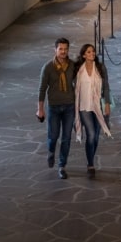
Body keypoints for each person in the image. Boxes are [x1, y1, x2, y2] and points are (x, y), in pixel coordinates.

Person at [37, 38, 77, 179]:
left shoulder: (72, 65)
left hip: (69, 106)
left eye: (65, 49)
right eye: (60, 49)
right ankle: (51, 152)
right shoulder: (48, 67)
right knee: (53, 136)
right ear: (55, 50)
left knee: (66, 138)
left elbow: (78, 85)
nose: (63, 51)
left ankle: (62, 166)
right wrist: (40, 109)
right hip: (54, 106)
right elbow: (42, 89)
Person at [73, 43, 112, 178]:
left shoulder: (100, 68)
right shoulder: (78, 69)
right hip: (84, 106)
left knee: (95, 137)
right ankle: (90, 164)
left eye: (93, 51)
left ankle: (90, 158)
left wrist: (107, 103)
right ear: (83, 55)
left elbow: (106, 86)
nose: (92, 54)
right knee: (90, 135)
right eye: (89, 52)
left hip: (98, 107)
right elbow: (73, 87)